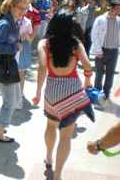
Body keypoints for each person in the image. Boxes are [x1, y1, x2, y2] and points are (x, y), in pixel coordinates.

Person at [32, 9, 95, 180]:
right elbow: (88, 66)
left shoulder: (44, 44)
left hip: (52, 91)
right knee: (66, 136)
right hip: (74, 93)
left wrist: (37, 92)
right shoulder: (76, 44)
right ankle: (58, 174)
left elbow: (43, 68)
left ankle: (48, 158)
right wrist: (88, 80)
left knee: (51, 125)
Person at [0, 0, 28, 142]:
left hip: (8, 66)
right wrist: (15, 47)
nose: (23, 11)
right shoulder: (5, 24)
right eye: (20, 8)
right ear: (11, 6)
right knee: (10, 102)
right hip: (2, 67)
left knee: (16, 99)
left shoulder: (14, 22)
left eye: (26, 8)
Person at [90, 0, 120, 99]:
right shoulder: (100, 19)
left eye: (119, 10)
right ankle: (97, 92)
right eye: (116, 9)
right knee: (99, 73)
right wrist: (98, 50)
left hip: (113, 51)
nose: (118, 12)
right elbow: (94, 36)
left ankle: (106, 93)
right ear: (110, 8)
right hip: (102, 50)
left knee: (110, 74)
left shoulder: (118, 21)